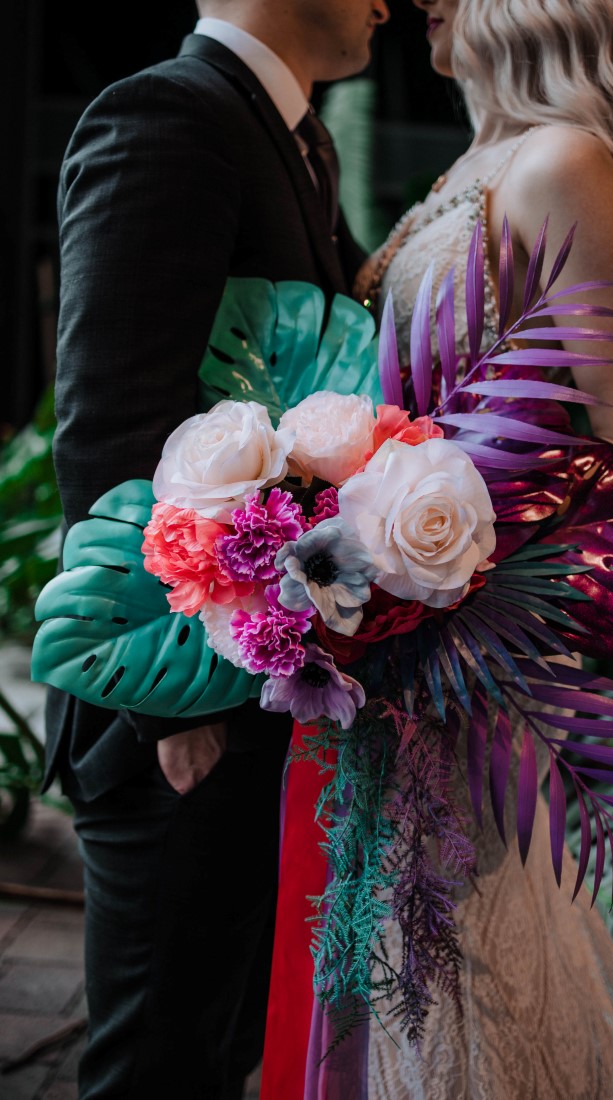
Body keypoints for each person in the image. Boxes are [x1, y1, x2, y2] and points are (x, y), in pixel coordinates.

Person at [260, 0, 613, 1097]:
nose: (423, 0)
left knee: (467, 982)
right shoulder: (481, 159)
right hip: (394, 654)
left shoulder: (566, 162)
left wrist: (437, 570)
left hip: (467, 664)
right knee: (399, 975)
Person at [43, 1, 389, 1098]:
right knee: (156, 1066)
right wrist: (173, 704)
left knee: (219, 1046)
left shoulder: (295, 136)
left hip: (255, 692)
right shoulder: (165, 121)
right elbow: (109, 421)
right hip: (174, 711)